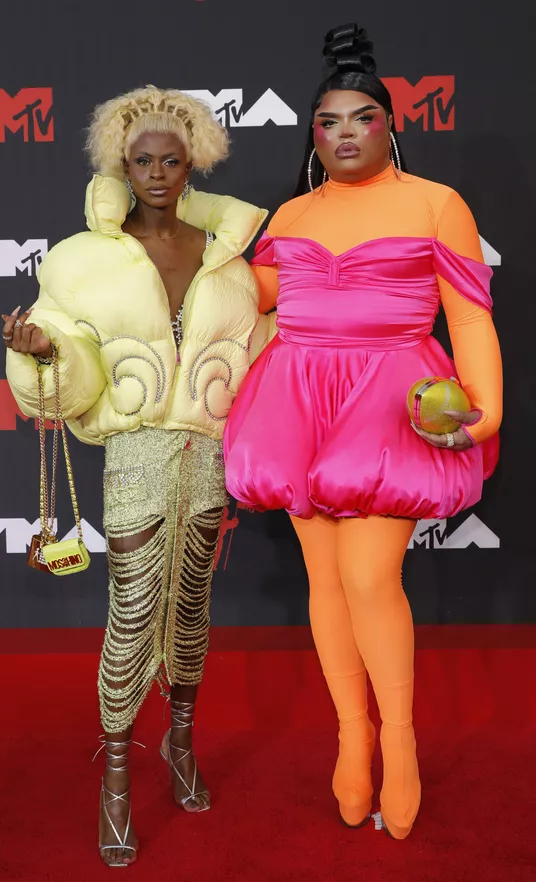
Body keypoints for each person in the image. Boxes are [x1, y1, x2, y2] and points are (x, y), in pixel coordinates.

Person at [224, 24, 502, 840]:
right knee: (326, 582)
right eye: (329, 122)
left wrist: (483, 412)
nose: (345, 133)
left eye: (362, 118)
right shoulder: (291, 213)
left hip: (390, 399)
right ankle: (354, 737)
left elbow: (469, 318)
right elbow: (242, 302)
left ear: (389, 125)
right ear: (313, 136)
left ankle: (402, 743)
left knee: (370, 577)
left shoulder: (436, 203)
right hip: (297, 399)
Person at [2, 85, 267, 867]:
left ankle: (180, 744)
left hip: (206, 457)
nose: (156, 173)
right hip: (134, 455)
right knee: (130, 613)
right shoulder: (84, 260)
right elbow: (74, 353)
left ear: (192, 165)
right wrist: (45, 351)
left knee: (191, 610)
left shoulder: (225, 257)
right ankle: (116, 779)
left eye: (171, 160)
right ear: (122, 164)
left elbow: (254, 354)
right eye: (142, 160)